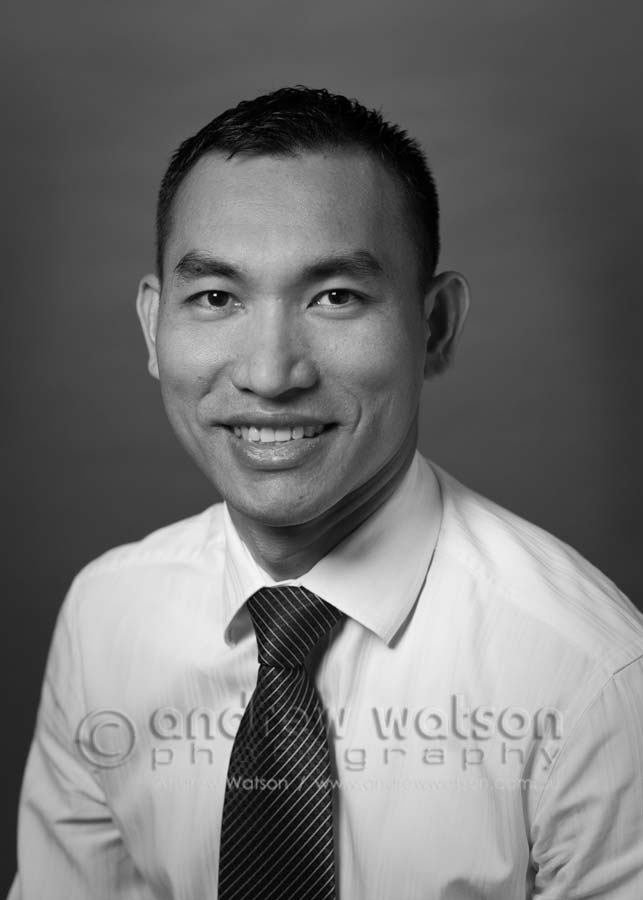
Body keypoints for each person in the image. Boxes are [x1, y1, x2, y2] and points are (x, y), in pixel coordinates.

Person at [9, 86, 643, 900]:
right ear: (153, 327)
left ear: (435, 326)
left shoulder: (593, 681)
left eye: (335, 296)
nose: (270, 373)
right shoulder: (105, 619)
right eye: (216, 298)